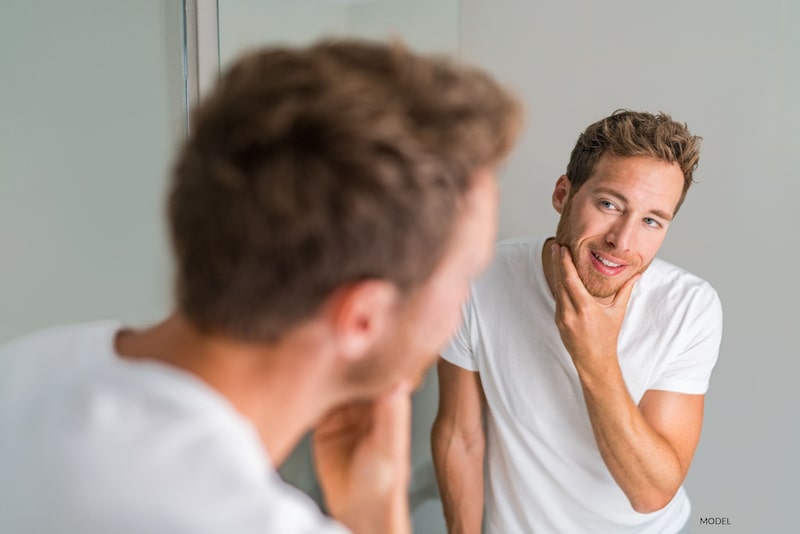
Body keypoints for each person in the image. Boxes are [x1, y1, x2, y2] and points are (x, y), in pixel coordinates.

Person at [0, 39, 521, 533]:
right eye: (463, 277)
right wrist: (377, 519)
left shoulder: (24, 369)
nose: (462, 307)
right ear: (361, 319)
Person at [432, 110, 723, 533]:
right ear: (563, 194)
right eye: (609, 204)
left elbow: (650, 493)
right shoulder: (478, 280)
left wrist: (595, 355)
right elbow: (460, 436)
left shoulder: (688, 308)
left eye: (650, 221)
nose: (622, 241)